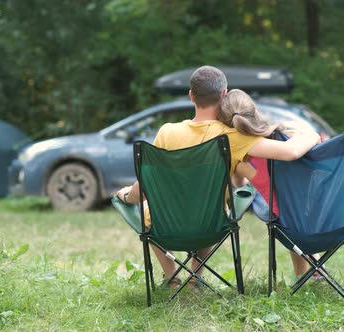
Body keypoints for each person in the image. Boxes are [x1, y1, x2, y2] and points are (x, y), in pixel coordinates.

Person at [117, 66, 319, 289]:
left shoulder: (167, 132)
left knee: (149, 211)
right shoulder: (232, 137)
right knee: (209, 205)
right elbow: (290, 152)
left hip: (165, 227)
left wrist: (125, 196)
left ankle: (171, 276)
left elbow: (142, 190)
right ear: (224, 94)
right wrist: (311, 134)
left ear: (191, 95)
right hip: (211, 225)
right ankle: (195, 278)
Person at [218, 88, 321, 278]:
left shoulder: (241, 160)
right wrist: (313, 136)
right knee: (284, 196)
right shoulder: (283, 135)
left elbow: (239, 186)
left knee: (265, 199)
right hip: (312, 210)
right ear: (254, 111)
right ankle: (312, 268)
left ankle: (304, 275)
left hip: (283, 218)